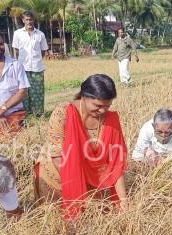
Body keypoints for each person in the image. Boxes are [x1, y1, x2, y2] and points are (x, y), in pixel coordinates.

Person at [33, 74, 128, 219]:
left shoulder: (111, 119)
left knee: (95, 217)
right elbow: (58, 156)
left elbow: (116, 164)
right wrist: (81, 190)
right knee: (57, 219)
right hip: (59, 173)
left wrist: (123, 201)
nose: (103, 111)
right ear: (83, 97)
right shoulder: (63, 113)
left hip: (92, 176)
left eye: (107, 106)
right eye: (98, 106)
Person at [12, 10, 49, 117]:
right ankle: (25, 114)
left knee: (38, 92)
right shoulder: (17, 34)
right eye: (27, 19)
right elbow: (16, 51)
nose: (29, 22)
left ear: (34, 20)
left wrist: (37, 60)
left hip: (37, 67)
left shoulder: (40, 34)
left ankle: (38, 114)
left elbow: (42, 51)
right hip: (22, 68)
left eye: (31, 19)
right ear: (23, 20)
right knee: (23, 92)